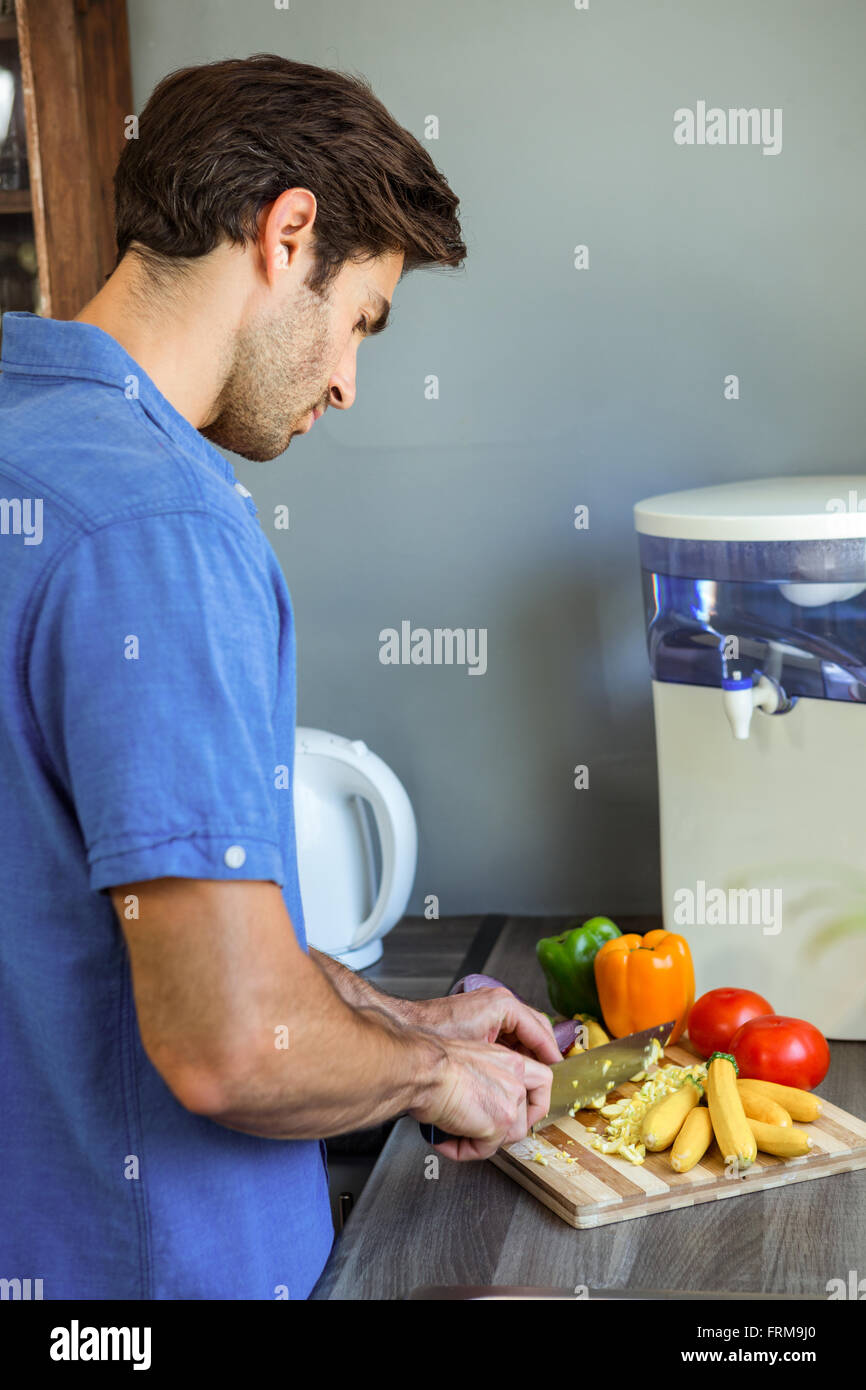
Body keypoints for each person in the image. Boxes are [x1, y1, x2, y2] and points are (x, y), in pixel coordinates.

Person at [0, 54, 557, 1301]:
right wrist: (428, 1078)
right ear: (286, 232)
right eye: (358, 318)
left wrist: (405, 1021)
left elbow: (89, 930)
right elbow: (233, 1043)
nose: (348, 382)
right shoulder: (158, 526)